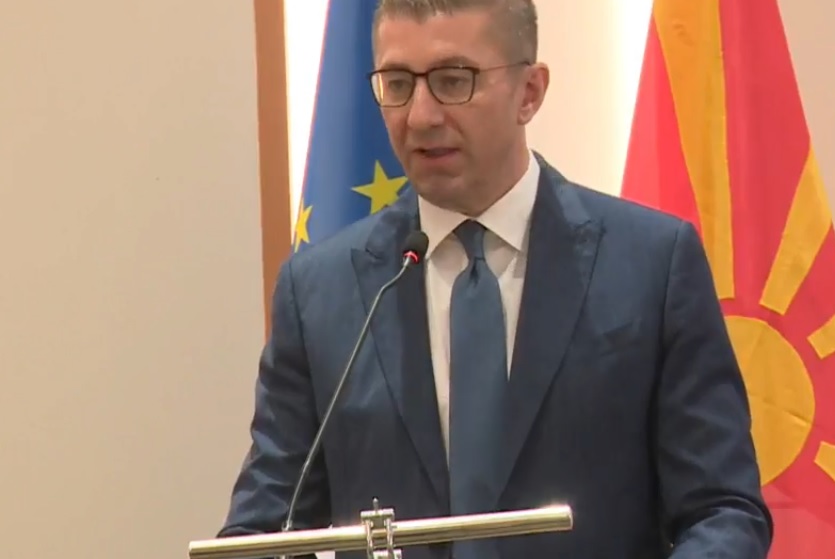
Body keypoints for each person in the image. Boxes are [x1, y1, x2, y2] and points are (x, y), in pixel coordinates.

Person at [218, 0, 774, 557]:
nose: (420, 116)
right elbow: (262, 532)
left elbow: (722, 511)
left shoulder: (651, 266)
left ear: (529, 92)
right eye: (398, 84)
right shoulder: (320, 292)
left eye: (453, 81)